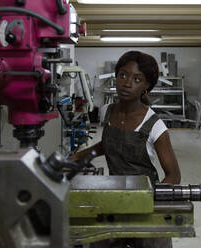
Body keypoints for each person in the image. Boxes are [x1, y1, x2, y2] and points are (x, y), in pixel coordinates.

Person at [69, 50, 181, 248]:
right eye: (123, 75)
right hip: (113, 195)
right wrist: (80, 155)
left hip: (146, 203)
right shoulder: (108, 111)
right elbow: (109, 144)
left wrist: (151, 199)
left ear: (147, 86)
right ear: (116, 77)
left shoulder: (155, 125)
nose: (127, 83)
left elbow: (174, 175)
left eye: (137, 79)